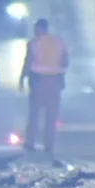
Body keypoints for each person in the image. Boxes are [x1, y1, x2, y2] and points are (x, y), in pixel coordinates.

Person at [19, 18, 69, 154]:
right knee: (51, 116)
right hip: (55, 82)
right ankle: (49, 145)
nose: (35, 31)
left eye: (36, 28)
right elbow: (65, 61)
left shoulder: (34, 43)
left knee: (34, 115)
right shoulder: (59, 42)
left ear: (40, 29)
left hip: (38, 82)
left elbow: (28, 62)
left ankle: (30, 143)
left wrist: (22, 78)